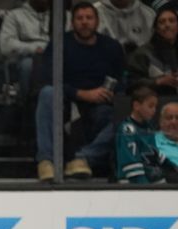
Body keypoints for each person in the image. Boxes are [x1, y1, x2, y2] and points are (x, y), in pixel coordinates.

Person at [35, 2, 125, 181]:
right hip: (66, 102)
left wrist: (110, 94)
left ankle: (82, 159)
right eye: (80, 18)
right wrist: (80, 93)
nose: (84, 22)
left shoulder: (112, 47)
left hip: (101, 106)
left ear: (97, 21)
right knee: (47, 93)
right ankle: (46, 161)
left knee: (125, 116)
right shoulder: (59, 44)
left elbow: (123, 81)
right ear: (72, 22)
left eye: (89, 18)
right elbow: (47, 79)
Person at [127, 8, 178, 107]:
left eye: (171, 21)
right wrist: (158, 82)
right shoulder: (143, 53)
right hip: (154, 105)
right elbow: (130, 85)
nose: (167, 25)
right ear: (156, 29)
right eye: (162, 22)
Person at [115, 83, 170, 183]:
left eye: (155, 107)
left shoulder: (149, 127)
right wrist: (143, 185)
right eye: (150, 106)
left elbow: (152, 151)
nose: (154, 110)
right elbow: (130, 160)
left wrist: (169, 164)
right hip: (133, 182)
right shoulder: (127, 129)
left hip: (152, 176)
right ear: (136, 106)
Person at [0, 0, 51, 101]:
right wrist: (35, 48)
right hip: (27, 58)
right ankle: (29, 106)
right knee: (28, 65)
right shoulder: (14, 15)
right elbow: (6, 45)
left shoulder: (63, 16)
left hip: (57, 57)